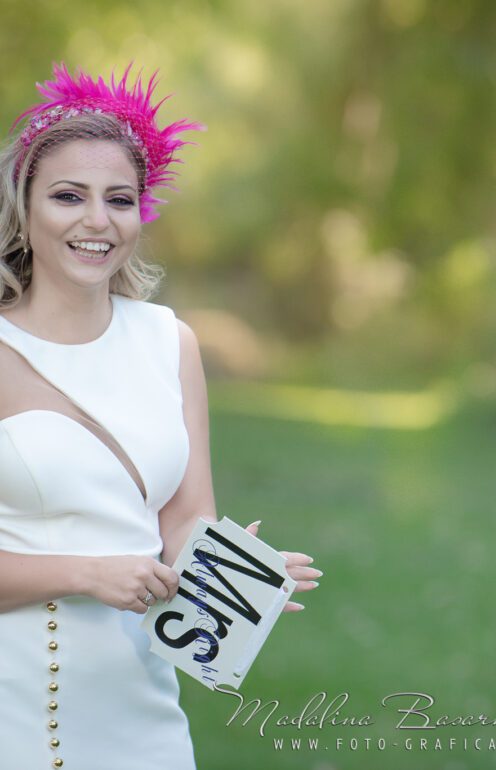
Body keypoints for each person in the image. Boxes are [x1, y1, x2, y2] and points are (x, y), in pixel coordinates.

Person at [0, 64, 322, 769]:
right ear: (24, 206)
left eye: (119, 199)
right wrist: (86, 574)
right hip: (23, 702)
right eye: (67, 196)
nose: (96, 220)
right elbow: (102, 566)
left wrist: (238, 575)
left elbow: (183, 521)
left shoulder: (169, 341)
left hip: (142, 703)